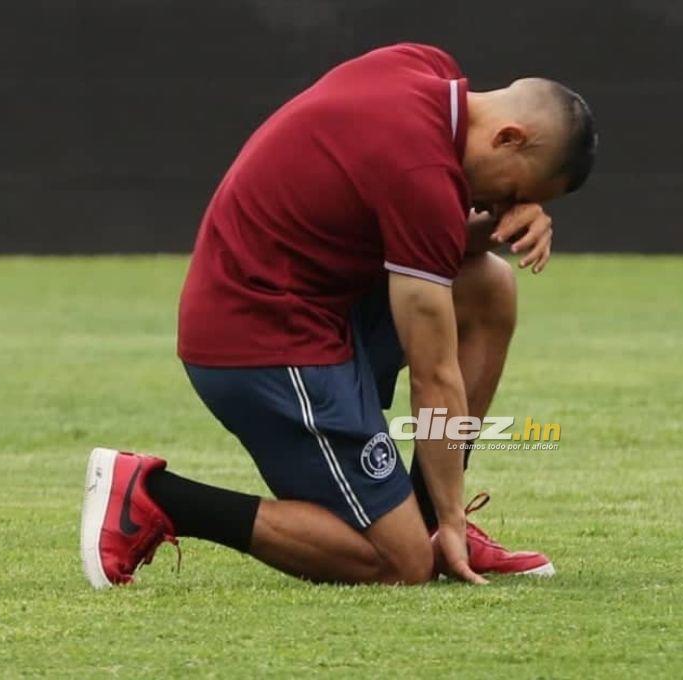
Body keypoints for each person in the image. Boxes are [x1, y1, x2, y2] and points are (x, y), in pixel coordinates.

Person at [79, 43, 596, 588]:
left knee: (489, 284)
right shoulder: (419, 169)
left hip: (313, 308)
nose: (499, 204)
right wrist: (450, 520)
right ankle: (154, 496)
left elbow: (421, 231)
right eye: (511, 191)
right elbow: (434, 374)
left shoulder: (420, 67)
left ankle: (422, 520)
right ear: (508, 137)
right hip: (262, 340)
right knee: (401, 565)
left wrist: (500, 224)